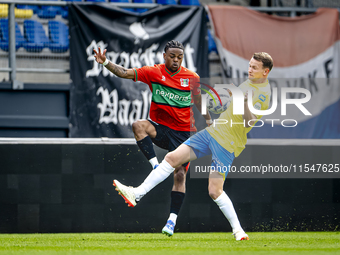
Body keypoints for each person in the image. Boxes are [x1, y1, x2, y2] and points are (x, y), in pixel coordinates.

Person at [113, 52, 274, 241]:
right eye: (249, 65)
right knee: (172, 158)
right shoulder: (248, 84)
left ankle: (238, 231)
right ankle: (137, 194)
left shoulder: (263, 95)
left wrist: (242, 100)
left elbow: (248, 122)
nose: (250, 69)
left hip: (228, 143)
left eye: (255, 68)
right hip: (213, 133)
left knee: (215, 191)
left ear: (266, 72)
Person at [93, 40, 212, 236]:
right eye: (172, 56)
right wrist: (106, 63)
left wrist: (209, 121)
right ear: (164, 56)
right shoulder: (154, 72)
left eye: (179, 57)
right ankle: (155, 166)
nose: (176, 60)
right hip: (161, 128)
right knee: (138, 125)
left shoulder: (191, 77)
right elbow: (124, 72)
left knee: (180, 175)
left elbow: (200, 101)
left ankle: (171, 221)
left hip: (183, 133)